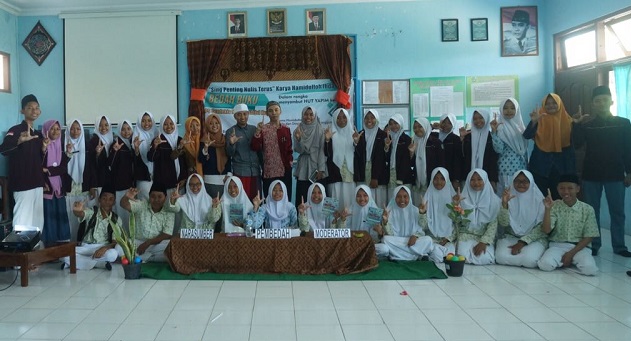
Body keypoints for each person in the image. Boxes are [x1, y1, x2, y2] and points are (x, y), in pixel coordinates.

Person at [572, 86, 631, 257]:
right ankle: (594, 245)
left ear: (611, 102)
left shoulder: (624, 123)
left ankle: (619, 246)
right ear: (593, 105)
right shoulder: (588, 125)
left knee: (618, 212)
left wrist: (630, 172)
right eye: (597, 101)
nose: (601, 103)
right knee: (592, 212)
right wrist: (576, 125)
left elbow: (628, 149)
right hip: (592, 174)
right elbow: (577, 144)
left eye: (605, 100)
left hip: (616, 174)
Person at [0, 94, 46, 230]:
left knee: (37, 222)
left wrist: (43, 148)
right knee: (22, 222)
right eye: (30, 108)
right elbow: (3, 150)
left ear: (40, 111)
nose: (34, 111)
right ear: (22, 111)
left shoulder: (38, 134)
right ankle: (19, 250)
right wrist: (19, 141)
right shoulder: (15, 130)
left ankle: (36, 249)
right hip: (22, 183)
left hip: (37, 182)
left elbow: (39, 160)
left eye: (36, 108)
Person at [537, 174, 599, 275]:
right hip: (557, 246)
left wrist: (571, 254)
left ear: (578, 189)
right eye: (562, 188)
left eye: (570, 188)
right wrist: (547, 209)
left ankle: (568, 262)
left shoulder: (587, 209)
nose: (566, 192)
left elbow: (589, 236)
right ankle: (568, 263)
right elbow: (546, 230)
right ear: (557, 189)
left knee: (590, 269)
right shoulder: (555, 207)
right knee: (545, 265)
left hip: (580, 247)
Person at [523, 93, 575, 199]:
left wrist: (577, 125)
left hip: (561, 168)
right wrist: (534, 122)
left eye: (554, 103)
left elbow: (576, 143)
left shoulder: (568, 121)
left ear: (559, 104)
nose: (551, 105)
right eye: (547, 103)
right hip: (540, 167)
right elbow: (527, 135)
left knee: (559, 200)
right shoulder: (539, 118)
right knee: (539, 199)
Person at [495, 170, 547, 268]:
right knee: (500, 257)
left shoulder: (540, 200)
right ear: (513, 182)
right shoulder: (507, 198)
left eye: (525, 181)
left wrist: (523, 242)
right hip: (511, 236)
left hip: (533, 238)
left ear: (531, 182)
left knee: (530, 261)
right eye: (517, 181)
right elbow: (503, 224)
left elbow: (541, 228)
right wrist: (505, 204)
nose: (521, 184)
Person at [380, 186, 445, 261]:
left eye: (405, 196)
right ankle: (416, 255)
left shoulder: (416, 210)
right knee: (385, 239)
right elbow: (390, 234)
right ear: (394, 197)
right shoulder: (390, 212)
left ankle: (398, 255)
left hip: (412, 242)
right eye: (398, 196)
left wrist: (416, 236)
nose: (402, 199)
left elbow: (423, 227)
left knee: (428, 240)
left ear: (409, 197)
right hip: (398, 241)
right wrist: (385, 222)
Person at [62, 188, 119, 270]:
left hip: (102, 247)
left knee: (113, 254)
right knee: (64, 254)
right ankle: (99, 264)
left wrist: (104, 248)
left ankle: (74, 262)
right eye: (104, 198)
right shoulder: (92, 211)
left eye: (111, 199)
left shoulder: (116, 219)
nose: (107, 201)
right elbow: (80, 214)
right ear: (99, 200)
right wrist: (77, 210)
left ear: (114, 202)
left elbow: (114, 242)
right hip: (86, 247)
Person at [119, 183, 174, 262]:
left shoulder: (169, 210)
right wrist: (126, 197)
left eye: (159, 197)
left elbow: (167, 234)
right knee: (119, 248)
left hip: (155, 244)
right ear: (149, 196)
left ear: (165, 197)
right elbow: (124, 205)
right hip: (137, 242)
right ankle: (151, 258)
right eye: (153, 196)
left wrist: (148, 243)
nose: (156, 200)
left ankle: (138, 258)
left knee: (171, 246)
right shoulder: (142, 204)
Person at [455, 169, 500, 265]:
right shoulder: (462, 199)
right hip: (465, 236)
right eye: (472, 180)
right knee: (460, 255)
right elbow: (457, 222)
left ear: (485, 181)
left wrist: (484, 242)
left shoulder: (494, 201)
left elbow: (493, 224)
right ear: (468, 181)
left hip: (483, 237)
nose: (476, 183)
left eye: (479, 179)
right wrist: (456, 205)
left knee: (486, 258)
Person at [251, 101, 293, 198]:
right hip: (269, 171)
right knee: (270, 199)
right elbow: (255, 147)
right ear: (266, 113)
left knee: (285, 198)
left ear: (280, 111)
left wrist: (289, 164)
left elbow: (289, 149)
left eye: (276, 110)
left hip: (284, 170)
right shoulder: (263, 129)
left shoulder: (286, 129)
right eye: (270, 111)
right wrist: (257, 131)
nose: (273, 113)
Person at [42, 119, 72, 247]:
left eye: (58, 129)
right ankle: (49, 248)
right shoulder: (41, 145)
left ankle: (61, 248)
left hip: (58, 187)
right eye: (52, 129)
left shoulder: (60, 146)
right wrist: (43, 148)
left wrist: (68, 154)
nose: (55, 131)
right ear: (46, 130)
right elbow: (38, 167)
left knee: (60, 216)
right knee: (48, 217)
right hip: (46, 187)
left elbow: (62, 168)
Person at [64, 119, 94, 241]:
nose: (75, 131)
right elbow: (60, 167)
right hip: (69, 188)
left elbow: (92, 168)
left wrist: (93, 186)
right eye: (72, 128)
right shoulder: (62, 145)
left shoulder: (87, 146)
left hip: (84, 188)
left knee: (83, 216)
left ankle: (83, 241)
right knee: (69, 217)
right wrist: (67, 153)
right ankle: (70, 245)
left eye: (78, 128)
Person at [491, 98, 528, 194]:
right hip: (506, 169)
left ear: (517, 110)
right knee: (506, 197)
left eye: (512, 108)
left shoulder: (521, 127)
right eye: (505, 108)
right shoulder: (500, 127)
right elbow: (499, 149)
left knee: (520, 195)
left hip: (522, 167)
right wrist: (494, 132)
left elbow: (524, 151)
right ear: (501, 110)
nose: (509, 111)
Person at [341, 184, 391, 257]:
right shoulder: (350, 211)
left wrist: (379, 233)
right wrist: (343, 219)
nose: (362, 199)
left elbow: (378, 238)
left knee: (384, 249)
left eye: (365, 195)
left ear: (369, 196)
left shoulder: (375, 211)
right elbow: (343, 233)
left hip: (369, 244)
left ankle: (360, 256)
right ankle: (365, 256)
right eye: (358, 196)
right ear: (355, 197)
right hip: (353, 244)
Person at [419, 168, 457, 262]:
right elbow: (421, 225)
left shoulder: (454, 199)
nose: (438, 182)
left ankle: (430, 254)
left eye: (442, 178)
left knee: (450, 253)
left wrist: (448, 239)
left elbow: (458, 224)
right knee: (436, 255)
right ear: (432, 180)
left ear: (447, 180)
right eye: (435, 178)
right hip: (431, 238)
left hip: (448, 239)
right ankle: (432, 253)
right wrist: (422, 213)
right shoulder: (426, 198)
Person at [353, 110, 389, 207]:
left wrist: (375, 177)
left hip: (378, 176)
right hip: (363, 174)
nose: (369, 120)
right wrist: (355, 143)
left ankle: (380, 222)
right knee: (364, 201)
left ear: (377, 119)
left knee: (378, 203)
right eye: (367, 118)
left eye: (372, 118)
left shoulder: (383, 135)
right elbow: (357, 156)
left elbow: (382, 158)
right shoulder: (360, 134)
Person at [226, 103, 260, 200]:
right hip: (240, 172)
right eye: (239, 114)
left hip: (255, 171)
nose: (242, 117)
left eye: (245, 114)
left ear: (248, 114)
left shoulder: (254, 129)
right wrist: (232, 143)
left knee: (255, 200)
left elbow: (259, 150)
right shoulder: (230, 131)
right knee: (241, 200)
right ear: (235, 116)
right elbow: (229, 154)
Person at [293, 106, 326, 208]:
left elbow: (322, 151)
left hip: (317, 165)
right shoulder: (297, 130)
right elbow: (299, 150)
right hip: (303, 166)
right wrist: (299, 139)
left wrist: (321, 169)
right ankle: (302, 220)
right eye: (306, 114)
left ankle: (320, 222)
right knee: (302, 195)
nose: (308, 117)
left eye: (311, 114)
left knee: (317, 196)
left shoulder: (320, 130)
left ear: (315, 115)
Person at [324, 108, 356, 210]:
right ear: (334, 119)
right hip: (335, 175)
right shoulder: (330, 134)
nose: (341, 120)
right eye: (338, 118)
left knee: (349, 203)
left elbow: (359, 155)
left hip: (350, 176)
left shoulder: (354, 134)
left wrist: (356, 143)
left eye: (344, 117)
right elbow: (326, 154)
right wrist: (327, 140)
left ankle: (349, 224)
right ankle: (333, 225)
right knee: (334, 204)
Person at [108, 119, 136, 229]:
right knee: (121, 214)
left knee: (131, 214)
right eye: (123, 129)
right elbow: (110, 164)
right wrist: (115, 151)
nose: (126, 132)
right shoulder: (116, 144)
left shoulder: (133, 143)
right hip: (120, 186)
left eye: (128, 129)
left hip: (131, 185)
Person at [148, 115, 187, 192]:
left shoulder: (180, 140)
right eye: (165, 124)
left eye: (171, 123)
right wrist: (155, 146)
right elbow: (151, 158)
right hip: (164, 185)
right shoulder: (158, 140)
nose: (169, 126)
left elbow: (184, 162)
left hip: (180, 183)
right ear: (162, 125)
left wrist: (184, 178)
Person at [462, 109, 499, 189]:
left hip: (488, 175)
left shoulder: (491, 136)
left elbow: (493, 159)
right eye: (475, 119)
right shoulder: (468, 135)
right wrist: (461, 139)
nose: (478, 121)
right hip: (470, 176)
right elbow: (463, 156)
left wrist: (493, 179)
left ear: (486, 118)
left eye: (481, 118)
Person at [411, 117, 442, 203]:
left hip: (432, 182)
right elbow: (411, 164)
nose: (417, 129)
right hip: (418, 184)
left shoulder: (435, 142)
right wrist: (411, 153)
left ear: (425, 126)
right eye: (415, 127)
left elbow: (441, 163)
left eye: (420, 126)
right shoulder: (414, 142)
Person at [199, 114, 231, 199]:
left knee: (224, 207)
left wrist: (229, 173)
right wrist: (206, 148)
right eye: (211, 123)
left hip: (226, 179)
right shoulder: (204, 140)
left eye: (217, 123)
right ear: (207, 125)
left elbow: (229, 157)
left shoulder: (224, 139)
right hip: (210, 180)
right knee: (213, 208)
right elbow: (201, 160)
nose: (214, 126)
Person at [431, 113, 463, 190]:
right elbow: (423, 133)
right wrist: (431, 127)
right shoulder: (434, 136)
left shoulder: (455, 139)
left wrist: (456, 179)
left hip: (451, 175)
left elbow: (458, 160)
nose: (446, 125)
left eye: (449, 123)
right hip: (436, 176)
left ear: (453, 125)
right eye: (444, 122)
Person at [385, 114, 414, 195]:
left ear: (401, 123)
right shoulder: (388, 139)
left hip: (404, 176)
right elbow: (386, 159)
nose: (393, 126)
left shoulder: (407, 139)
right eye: (391, 124)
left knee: (404, 198)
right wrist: (386, 147)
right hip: (391, 174)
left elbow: (407, 161)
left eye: (396, 123)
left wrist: (411, 152)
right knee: (392, 197)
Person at [132, 112, 157, 200]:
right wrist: (136, 148)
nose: (147, 123)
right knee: (145, 204)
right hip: (143, 178)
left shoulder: (157, 135)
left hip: (157, 177)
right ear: (139, 122)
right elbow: (135, 161)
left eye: (149, 120)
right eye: (143, 121)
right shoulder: (135, 137)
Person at [87, 115, 114, 198]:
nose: (103, 128)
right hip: (99, 181)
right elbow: (91, 165)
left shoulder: (113, 140)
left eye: (106, 125)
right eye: (100, 125)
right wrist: (97, 154)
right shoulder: (93, 141)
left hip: (111, 180)